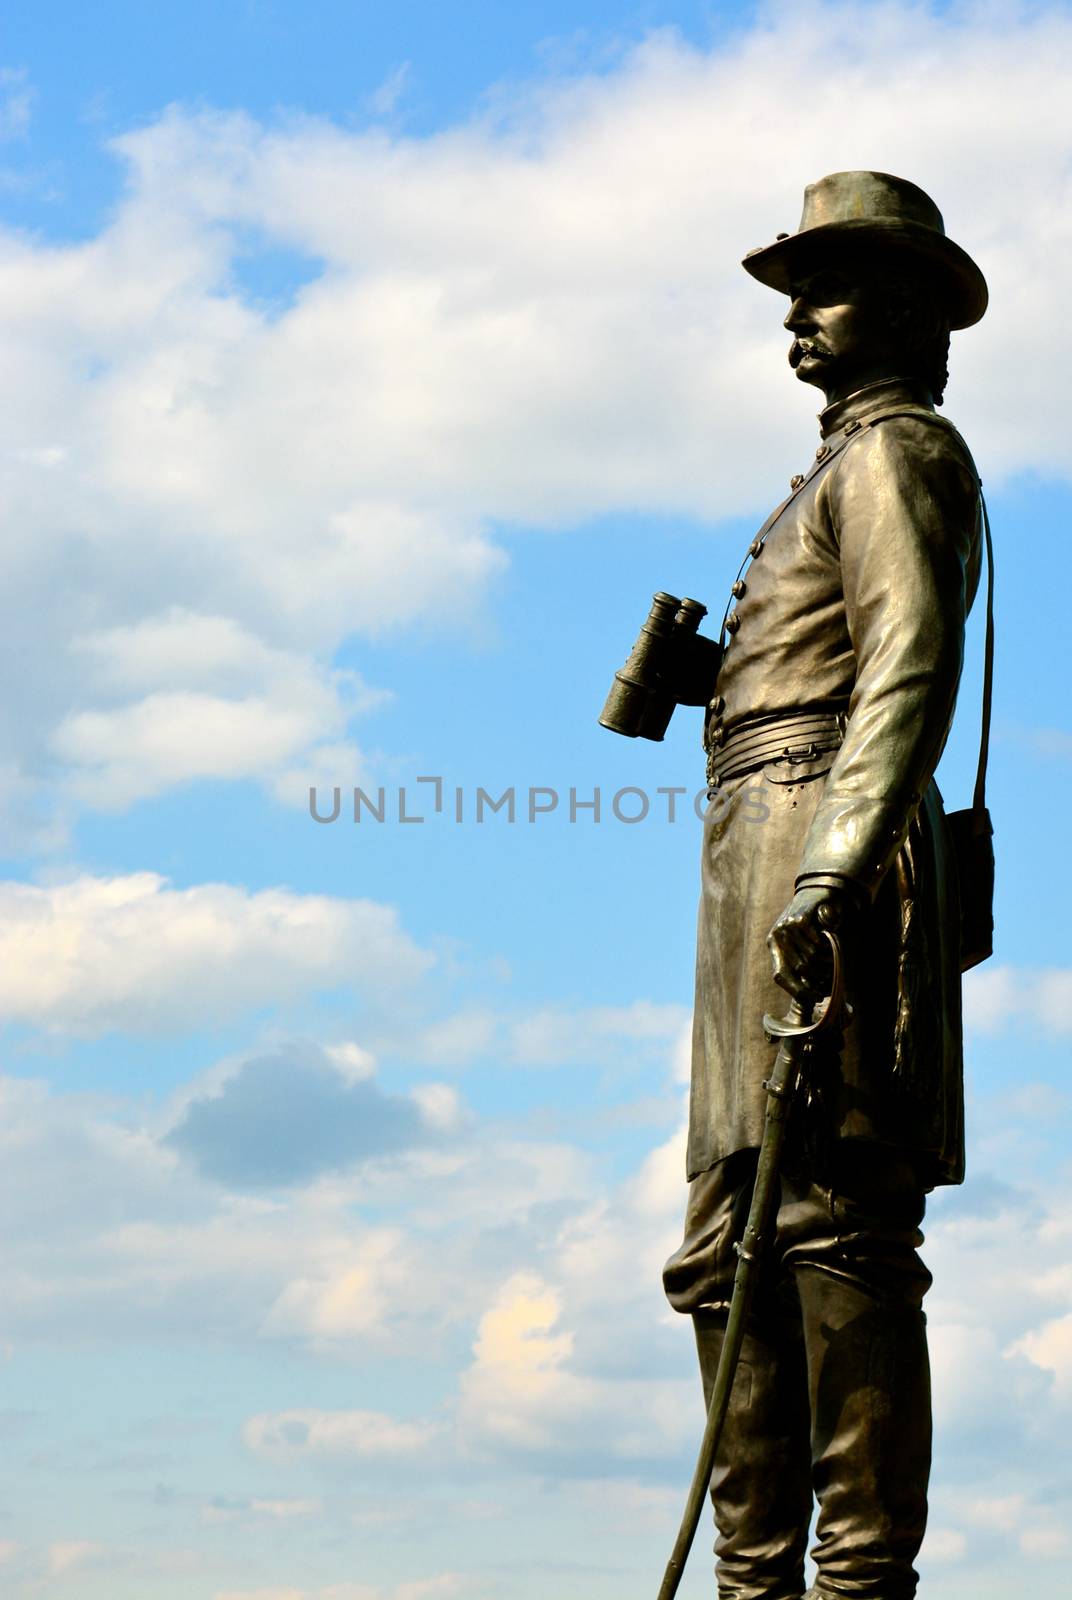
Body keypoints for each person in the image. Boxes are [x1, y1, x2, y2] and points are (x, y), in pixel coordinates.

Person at [662, 172, 989, 1600]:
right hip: (755, 857)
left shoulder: (899, 453)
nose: (797, 317)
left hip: (824, 866)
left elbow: (909, 667)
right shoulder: (828, 472)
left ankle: (856, 1585)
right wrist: (718, 687)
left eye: (828, 286)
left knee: (834, 1226)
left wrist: (836, 871)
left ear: (908, 308)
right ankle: (755, 1584)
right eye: (792, 290)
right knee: (727, 1251)